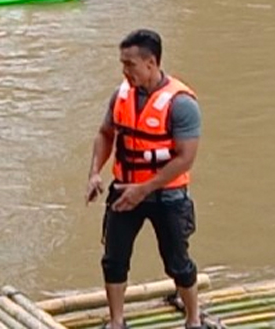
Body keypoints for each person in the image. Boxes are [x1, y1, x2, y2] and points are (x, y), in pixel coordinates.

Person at [86, 30, 204, 329]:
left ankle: (193, 319)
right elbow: (105, 134)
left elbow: (185, 158)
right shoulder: (121, 95)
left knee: (178, 262)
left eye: (130, 64)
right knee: (114, 259)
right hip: (124, 191)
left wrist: (146, 188)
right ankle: (116, 321)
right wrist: (94, 173)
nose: (125, 71)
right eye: (122, 64)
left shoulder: (182, 104)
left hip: (168, 196)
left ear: (151, 63)